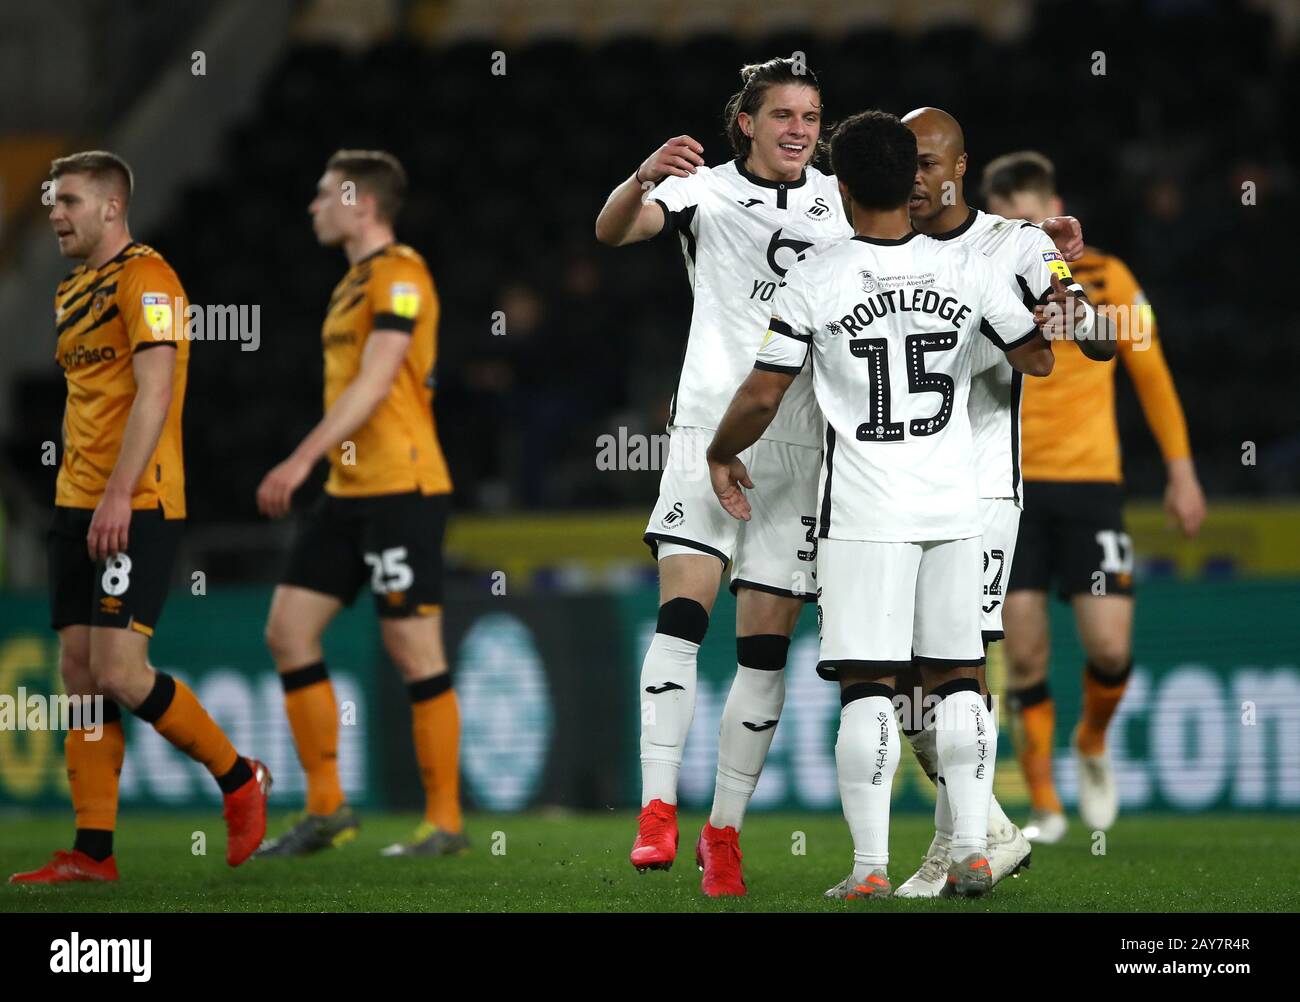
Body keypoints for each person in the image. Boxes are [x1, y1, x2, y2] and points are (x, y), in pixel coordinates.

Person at [706, 110, 1060, 899]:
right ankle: (972, 847)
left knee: (871, 686)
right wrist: (1057, 287)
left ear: (837, 184)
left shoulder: (818, 275)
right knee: (960, 677)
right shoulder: (970, 271)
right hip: (954, 505)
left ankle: (870, 868)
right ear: (913, 180)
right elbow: (1038, 357)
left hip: (865, 512)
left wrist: (718, 450)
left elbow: (765, 392)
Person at [595, 57, 851, 896]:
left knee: (764, 648)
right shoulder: (701, 189)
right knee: (681, 616)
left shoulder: (843, 203)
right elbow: (614, 232)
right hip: (708, 428)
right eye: (783, 115)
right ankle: (657, 809)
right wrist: (639, 177)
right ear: (747, 122)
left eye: (810, 117)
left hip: (798, 442)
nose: (799, 131)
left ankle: (725, 832)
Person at [11, 151, 270, 885]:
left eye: (67, 200)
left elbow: (156, 390)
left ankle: (238, 778)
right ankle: (94, 853)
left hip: (140, 500)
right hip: (76, 505)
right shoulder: (73, 291)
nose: (53, 212)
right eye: (51, 200)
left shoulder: (149, 280)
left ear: (111, 208)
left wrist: (120, 492)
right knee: (79, 673)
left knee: (121, 672)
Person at [884, 108, 1115, 897]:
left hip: (979, 484)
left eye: (927, 162)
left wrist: (1077, 310)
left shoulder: (1013, 244)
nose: (914, 178)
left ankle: (968, 842)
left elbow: (1089, 327)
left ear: (960, 165)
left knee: (955, 666)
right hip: (892, 487)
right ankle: (987, 831)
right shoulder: (877, 244)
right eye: (903, 163)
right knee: (895, 672)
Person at [981, 150, 1206, 843]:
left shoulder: (1105, 277)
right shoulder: (978, 276)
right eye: (1010, 220)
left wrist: (1181, 470)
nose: (1024, 231)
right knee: (1023, 657)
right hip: (1008, 490)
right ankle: (1046, 804)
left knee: (1109, 649)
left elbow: (1152, 374)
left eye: (1035, 218)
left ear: (1056, 210)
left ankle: (1093, 742)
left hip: (1091, 486)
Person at [255, 150, 464, 858]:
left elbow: (377, 382)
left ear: (361, 202)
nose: (314, 206)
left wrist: (300, 457)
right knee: (287, 631)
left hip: (402, 487)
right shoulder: (351, 284)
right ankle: (328, 808)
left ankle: (446, 823)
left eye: (323, 195)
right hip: (348, 494)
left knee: (412, 648)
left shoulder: (402, 273)